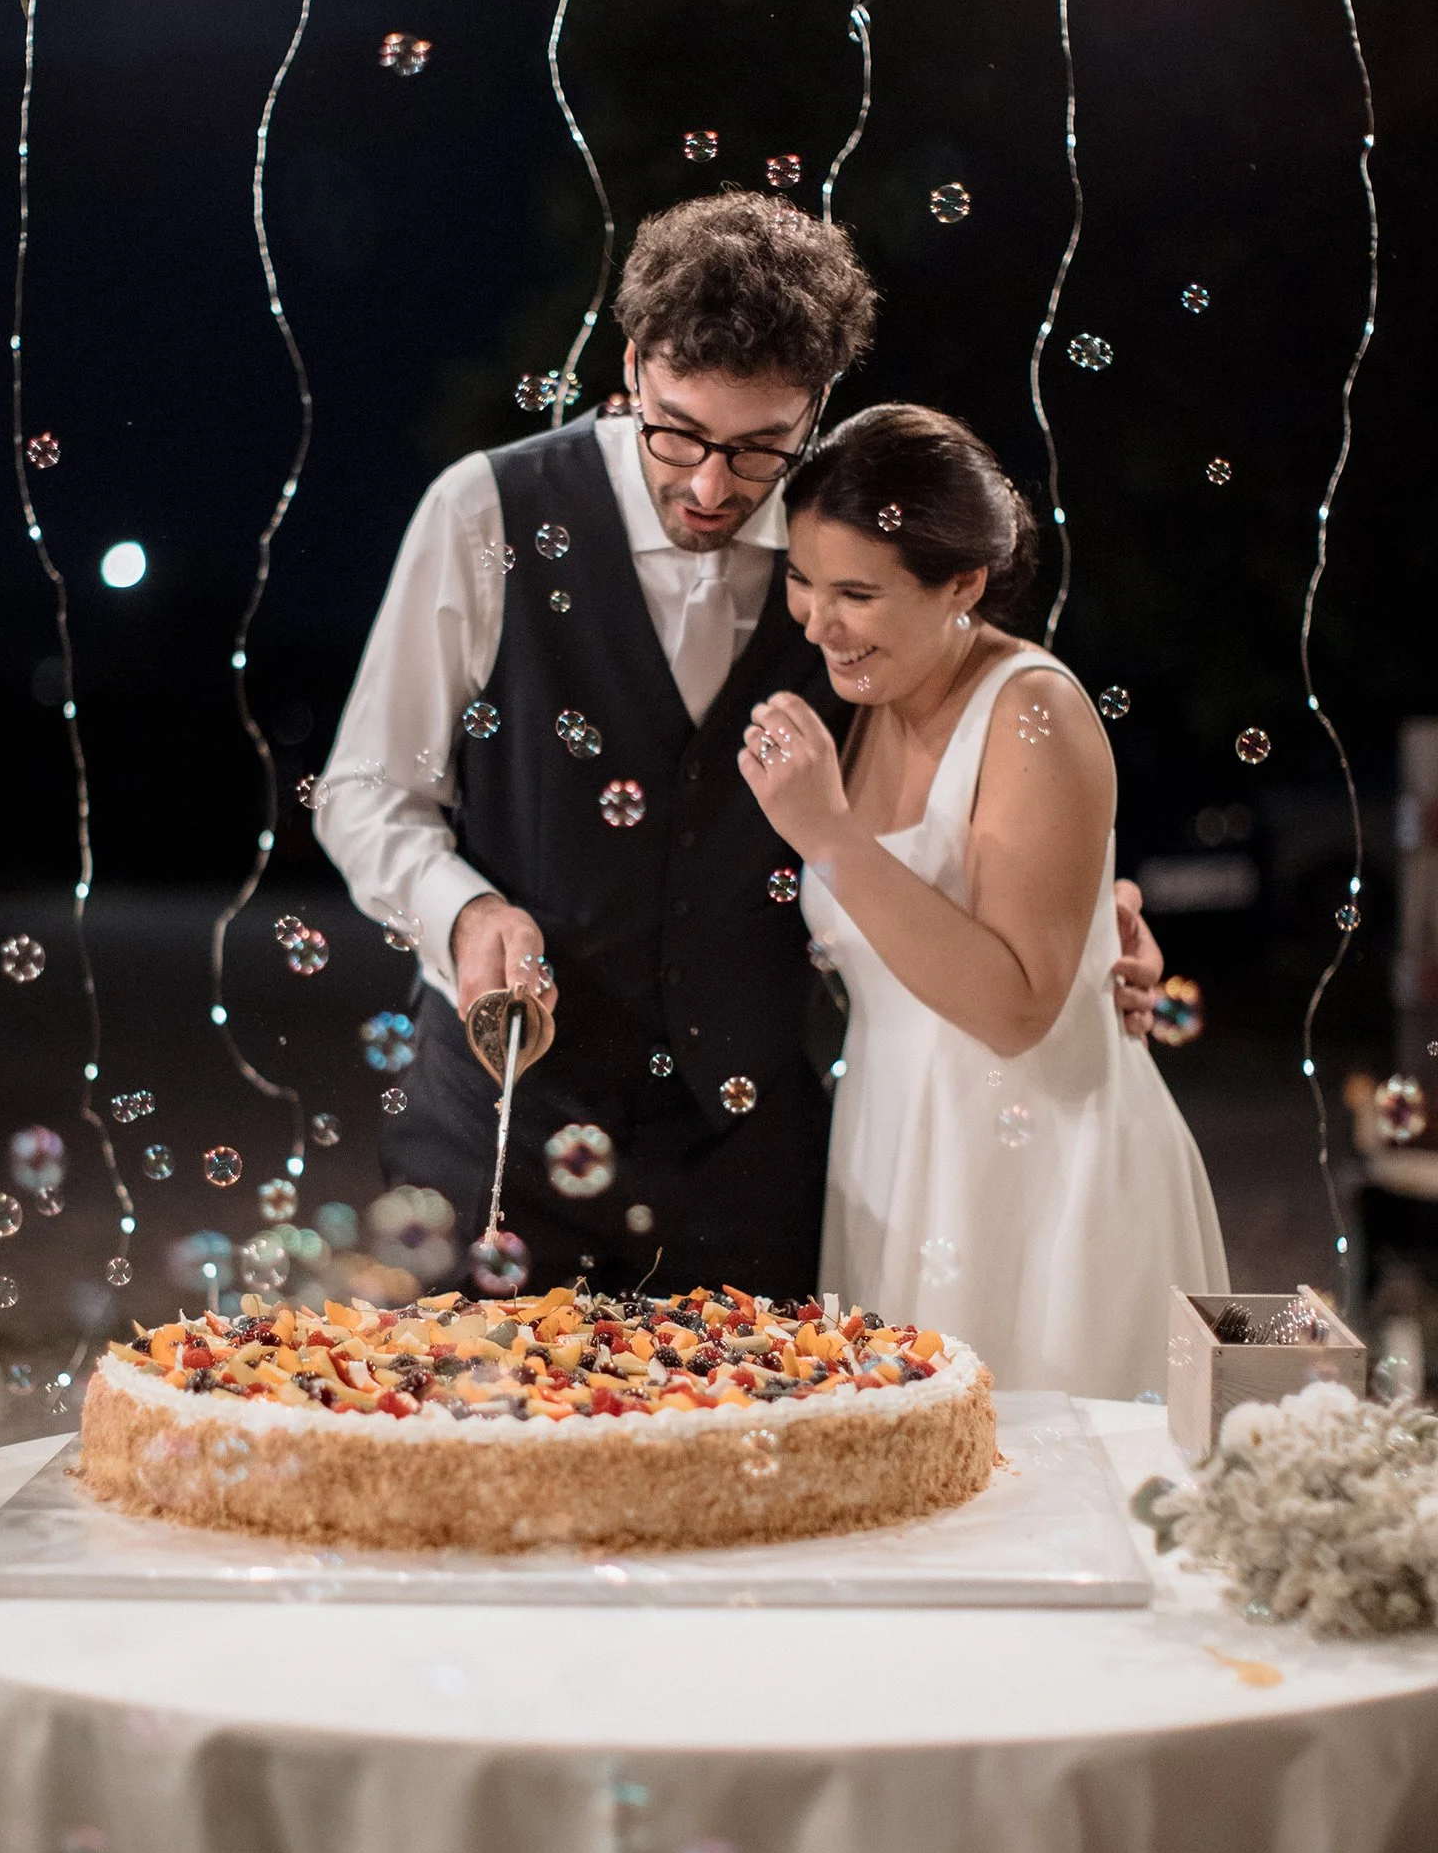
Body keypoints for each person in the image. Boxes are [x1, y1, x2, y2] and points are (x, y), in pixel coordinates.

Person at [317, 192, 1163, 1299]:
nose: (712, 486)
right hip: (502, 1126)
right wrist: (465, 913)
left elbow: (978, 749)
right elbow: (367, 790)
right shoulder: (485, 514)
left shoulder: (853, 562)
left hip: (752, 1159)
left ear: (816, 411)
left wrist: (1089, 917)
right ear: (632, 366)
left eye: (762, 447)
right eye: (678, 430)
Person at [738, 402, 1227, 1397]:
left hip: (1041, 1181)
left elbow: (1016, 1006)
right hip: (893, 1159)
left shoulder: (1031, 710)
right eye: (801, 578)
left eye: (857, 593)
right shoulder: (862, 695)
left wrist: (827, 837)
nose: (816, 619)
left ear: (961, 583)